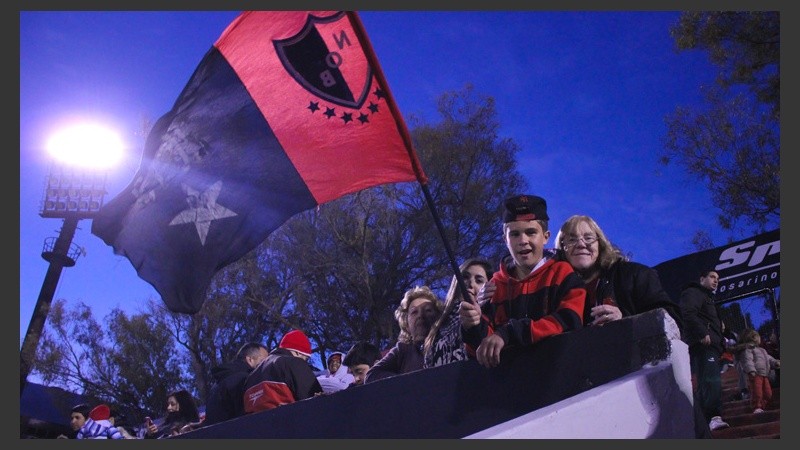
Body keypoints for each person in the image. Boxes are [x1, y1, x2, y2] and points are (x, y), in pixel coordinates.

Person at [460, 194, 585, 368]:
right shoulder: (494, 285)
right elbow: (481, 350)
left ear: (546, 236)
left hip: (558, 380)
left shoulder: (563, 273)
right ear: (505, 240)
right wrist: (472, 325)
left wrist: (509, 333)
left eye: (531, 232)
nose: (523, 241)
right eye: (515, 234)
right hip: (508, 386)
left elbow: (570, 321)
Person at [554, 215, 683, 330]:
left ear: (600, 244)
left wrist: (626, 321)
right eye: (572, 240)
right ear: (561, 248)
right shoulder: (556, 291)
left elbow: (673, 321)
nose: (581, 244)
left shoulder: (634, 275)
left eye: (588, 238)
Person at [680, 268, 729, 431]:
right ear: (702, 279)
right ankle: (713, 417)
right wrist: (702, 332)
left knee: (705, 380)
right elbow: (687, 313)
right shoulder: (694, 292)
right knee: (710, 380)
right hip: (703, 344)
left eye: (718, 279)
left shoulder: (708, 298)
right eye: (712, 277)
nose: (716, 280)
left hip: (711, 345)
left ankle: (704, 421)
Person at [423, 258, 493, 368]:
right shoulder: (438, 323)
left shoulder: (490, 317)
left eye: (479, 281)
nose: (470, 283)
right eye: (465, 277)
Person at [365, 285, 444, 383]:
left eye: (428, 310)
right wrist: (408, 383)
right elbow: (372, 375)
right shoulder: (402, 350)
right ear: (406, 323)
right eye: (414, 312)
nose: (420, 315)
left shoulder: (448, 344)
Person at [242, 329, 323, 413]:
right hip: (290, 422)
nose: (305, 362)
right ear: (298, 353)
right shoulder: (294, 363)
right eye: (305, 358)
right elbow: (315, 401)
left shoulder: (250, 377)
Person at [203, 342, 269, 426]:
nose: (267, 364)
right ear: (250, 359)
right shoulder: (245, 380)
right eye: (263, 361)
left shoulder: (216, 385)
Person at [739, 328, 780, 414]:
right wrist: (751, 370)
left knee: (768, 393)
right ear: (754, 338)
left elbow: (768, 358)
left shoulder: (762, 350)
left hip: (764, 375)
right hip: (755, 374)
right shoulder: (748, 349)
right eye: (758, 336)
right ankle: (757, 407)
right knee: (757, 392)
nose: (760, 338)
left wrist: (775, 362)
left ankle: (763, 405)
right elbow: (747, 360)